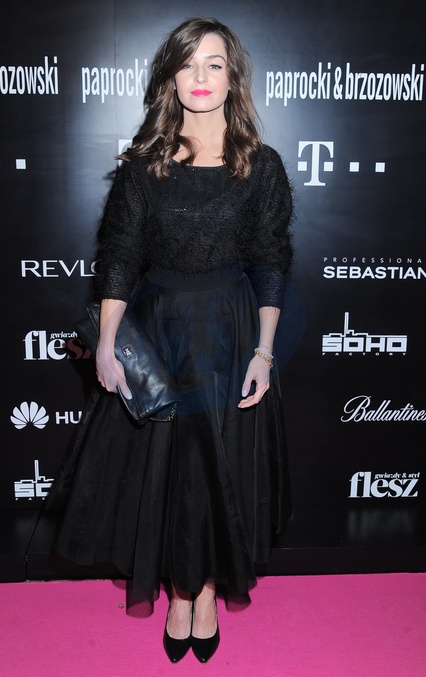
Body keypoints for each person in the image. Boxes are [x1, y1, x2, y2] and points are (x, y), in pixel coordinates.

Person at [46, 16, 293, 664]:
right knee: (172, 474)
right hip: (160, 336)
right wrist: (106, 344)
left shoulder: (261, 166)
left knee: (218, 472)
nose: (201, 77)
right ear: (170, 78)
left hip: (230, 335)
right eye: (188, 64)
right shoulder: (144, 167)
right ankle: (179, 593)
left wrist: (264, 352)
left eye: (215, 64)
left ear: (233, 78)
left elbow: (270, 261)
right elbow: (119, 258)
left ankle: (203, 591)